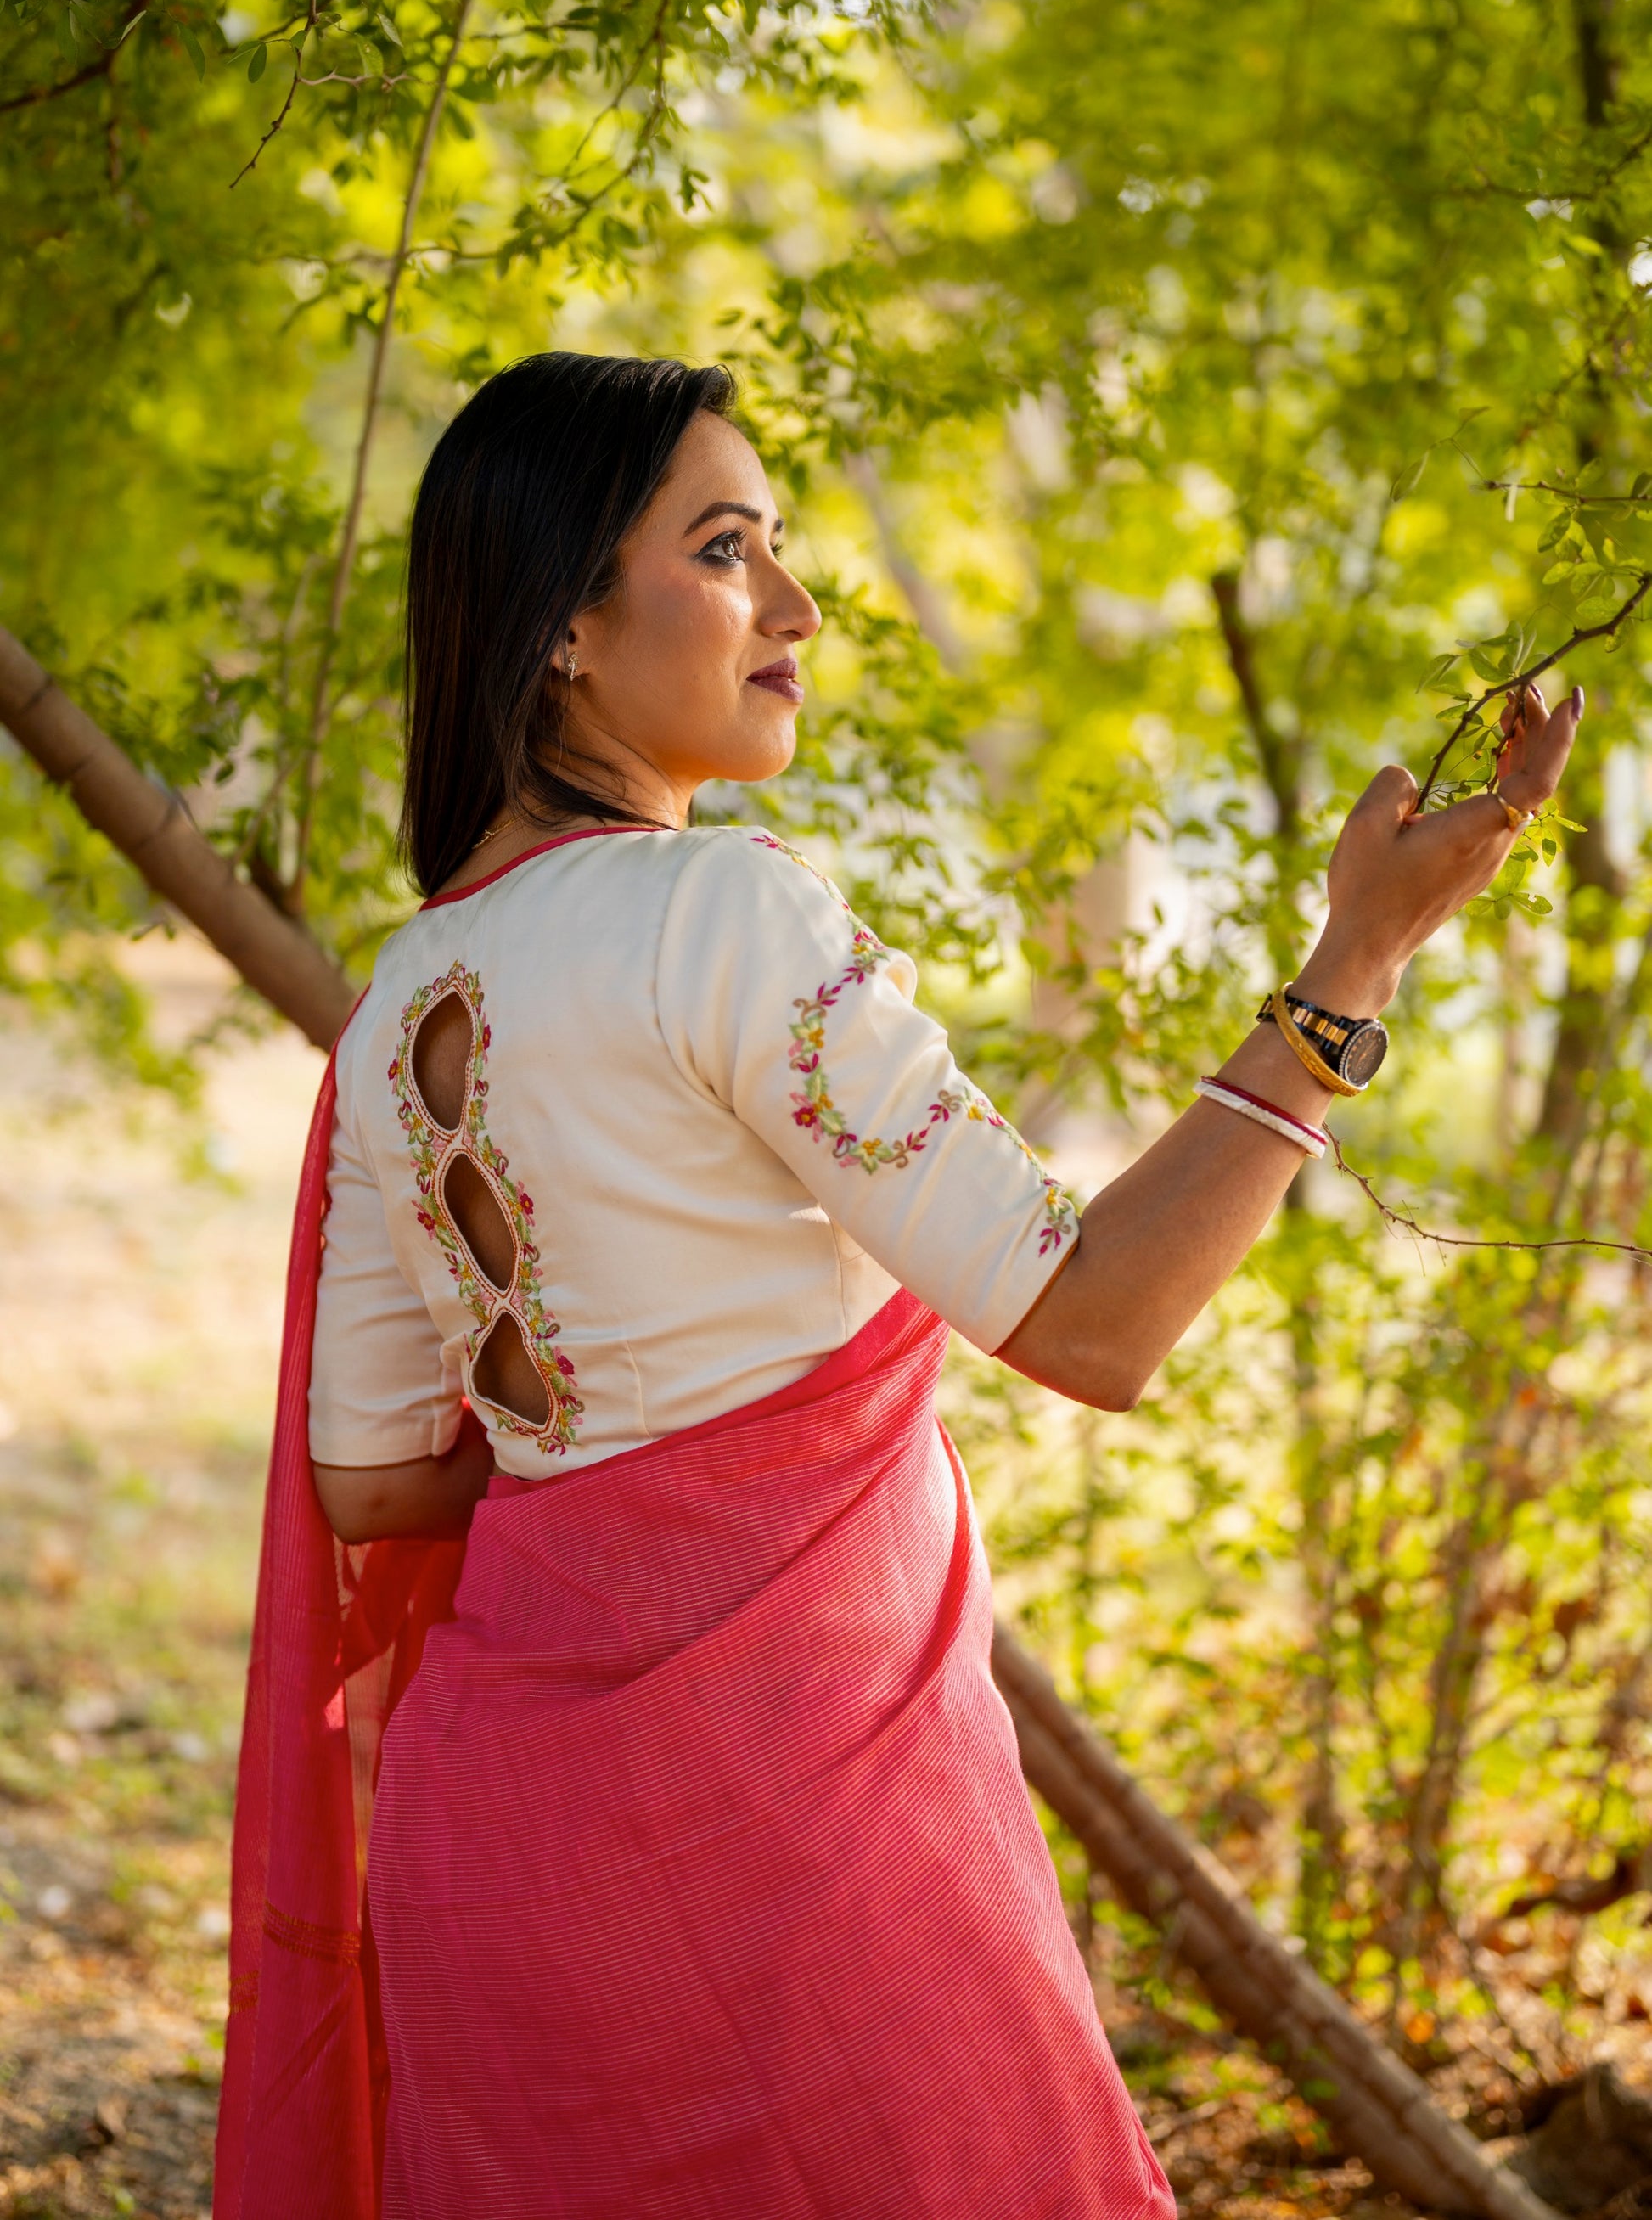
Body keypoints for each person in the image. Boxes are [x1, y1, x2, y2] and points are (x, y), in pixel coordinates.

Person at [214, 353, 1581, 2220]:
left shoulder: (391, 1012)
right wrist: (1354, 958)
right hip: (791, 1849)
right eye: (721, 550)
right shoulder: (726, 914)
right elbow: (1091, 1321)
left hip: (506, 1879)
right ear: (562, 631)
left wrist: (615, 1459)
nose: (795, 605)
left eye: (780, 546)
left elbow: (371, 1484)